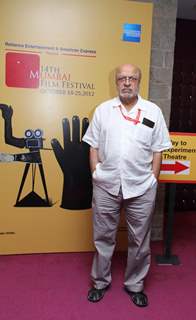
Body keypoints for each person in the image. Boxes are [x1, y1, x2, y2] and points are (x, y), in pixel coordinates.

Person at [82, 63, 172, 307]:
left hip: (141, 187)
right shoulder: (103, 110)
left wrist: (153, 178)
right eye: (122, 78)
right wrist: (95, 173)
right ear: (116, 82)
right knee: (103, 237)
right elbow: (93, 145)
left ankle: (135, 284)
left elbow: (159, 149)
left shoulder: (153, 111)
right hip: (105, 185)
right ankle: (100, 281)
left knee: (140, 240)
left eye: (132, 78)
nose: (127, 82)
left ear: (139, 81)